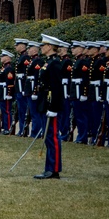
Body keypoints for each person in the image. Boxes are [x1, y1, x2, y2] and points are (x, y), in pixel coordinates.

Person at [33, 34, 67, 179]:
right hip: (44, 103)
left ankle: (53, 169)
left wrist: (53, 108)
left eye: (43, 45)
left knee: (52, 138)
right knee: (48, 138)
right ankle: (49, 167)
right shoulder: (48, 62)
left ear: (49, 47)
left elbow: (57, 88)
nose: (41, 47)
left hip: (50, 105)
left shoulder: (55, 64)